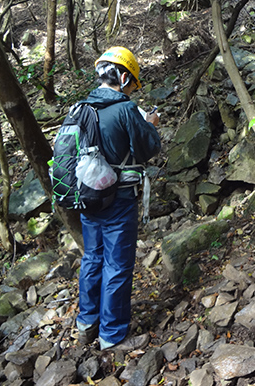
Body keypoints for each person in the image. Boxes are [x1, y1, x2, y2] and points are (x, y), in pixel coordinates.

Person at [76, 46, 161, 350]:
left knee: (92, 258)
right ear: (124, 77)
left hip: (86, 198)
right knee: (117, 265)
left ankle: (86, 323)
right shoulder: (125, 109)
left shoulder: (79, 109)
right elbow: (149, 148)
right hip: (120, 198)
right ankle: (111, 335)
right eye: (131, 82)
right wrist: (150, 125)